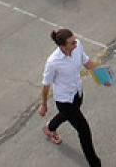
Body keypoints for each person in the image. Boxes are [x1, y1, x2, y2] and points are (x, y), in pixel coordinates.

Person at [40, 29, 102, 167]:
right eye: (72, 42)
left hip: (77, 93)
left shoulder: (77, 46)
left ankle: (50, 127)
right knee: (84, 130)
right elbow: (46, 85)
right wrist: (44, 105)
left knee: (69, 115)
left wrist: (102, 75)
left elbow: (86, 61)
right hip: (64, 101)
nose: (76, 43)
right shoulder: (53, 62)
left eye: (75, 40)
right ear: (63, 46)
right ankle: (95, 163)